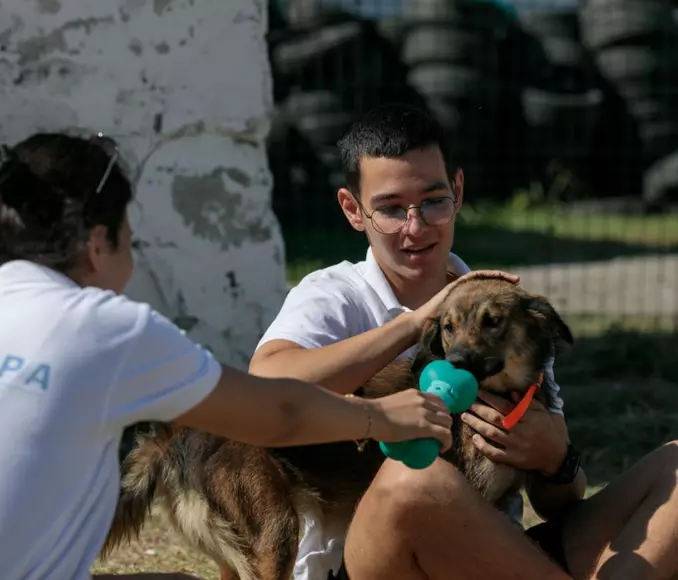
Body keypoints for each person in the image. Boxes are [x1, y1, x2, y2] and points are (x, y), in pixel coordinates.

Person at [0, 130, 509, 580]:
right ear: (98, 242)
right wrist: (380, 419)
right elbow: (274, 411)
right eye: (130, 235)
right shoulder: (105, 327)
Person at [249, 103, 678, 580]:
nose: (415, 227)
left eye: (432, 201)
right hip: (374, 563)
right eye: (391, 209)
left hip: (497, 557)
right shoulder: (335, 295)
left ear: (457, 191)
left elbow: (559, 503)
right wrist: (415, 325)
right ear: (354, 209)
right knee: (414, 480)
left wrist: (556, 459)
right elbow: (266, 383)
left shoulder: (502, 316)